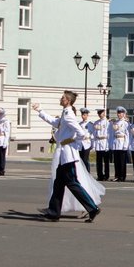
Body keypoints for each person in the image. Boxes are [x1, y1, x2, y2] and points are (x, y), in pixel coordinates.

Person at [36, 92, 102, 221]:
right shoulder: (65, 113)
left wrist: (68, 141)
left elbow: (81, 133)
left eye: (63, 98)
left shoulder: (69, 115)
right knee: (58, 184)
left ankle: (92, 208)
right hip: (64, 156)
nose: (60, 99)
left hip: (68, 156)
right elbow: (55, 123)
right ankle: (53, 212)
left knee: (72, 184)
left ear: (68, 101)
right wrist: (40, 110)